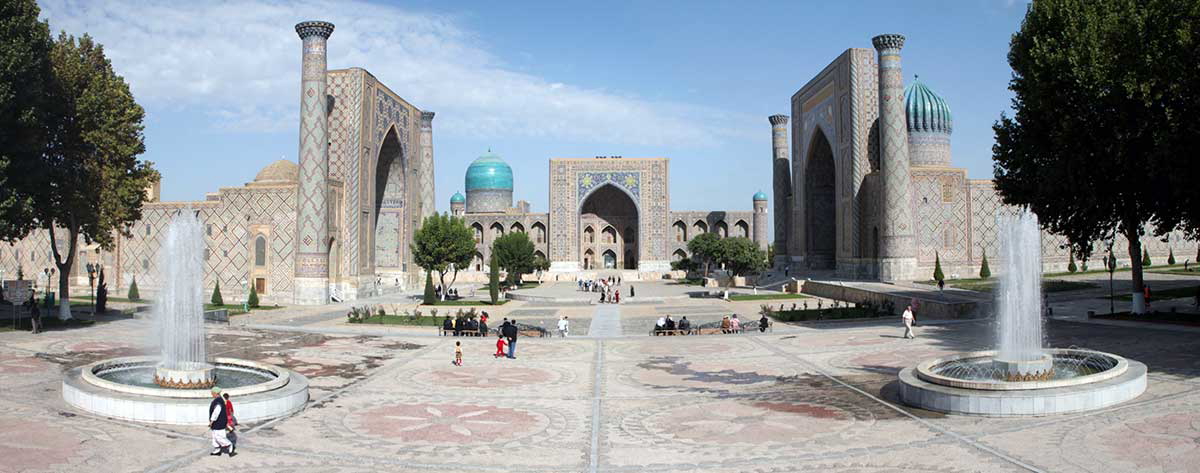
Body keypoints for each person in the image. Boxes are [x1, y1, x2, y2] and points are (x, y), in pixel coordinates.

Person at [209, 387, 234, 456]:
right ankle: (217, 449)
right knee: (215, 436)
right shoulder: (219, 400)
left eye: (212, 393)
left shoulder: (218, 402)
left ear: (215, 393)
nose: (211, 394)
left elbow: (216, 413)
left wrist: (211, 421)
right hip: (218, 422)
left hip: (219, 422)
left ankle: (229, 445)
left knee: (219, 436)